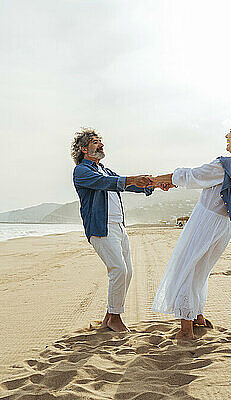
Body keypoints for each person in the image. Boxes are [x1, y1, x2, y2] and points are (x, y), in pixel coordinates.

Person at [150, 119, 231, 339]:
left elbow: (193, 176)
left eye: (230, 132)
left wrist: (157, 180)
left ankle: (186, 327)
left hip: (206, 222)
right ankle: (197, 315)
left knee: (187, 266)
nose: (226, 135)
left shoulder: (225, 165)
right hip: (223, 225)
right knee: (201, 269)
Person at [71, 128, 161, 332]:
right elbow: (107, 183)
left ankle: (108, 317)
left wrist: (152, 186)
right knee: (118, 270)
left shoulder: (104, 169)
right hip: (101, 228)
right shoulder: (82, 171)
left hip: (119, 227)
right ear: (84, 149)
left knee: (127, 272)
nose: (101, 145)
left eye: (101, 141)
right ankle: (115, 318)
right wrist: (131, 179)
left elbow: (124, 185)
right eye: (95, 142)